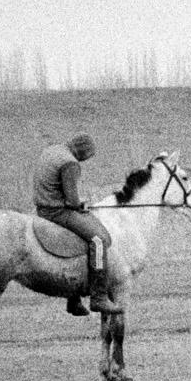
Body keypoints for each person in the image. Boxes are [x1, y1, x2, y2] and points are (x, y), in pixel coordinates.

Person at [32, 133, 120, 316]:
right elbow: (72, 201)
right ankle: (99, 297)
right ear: (82, 151)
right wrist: (82, 203)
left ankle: (74, 299)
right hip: (57, 212)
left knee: (78, 243)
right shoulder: (70, 163)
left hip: (41, 208)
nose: (86, 160)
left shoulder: (52, 150)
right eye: (87, 156)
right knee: (99, 240)